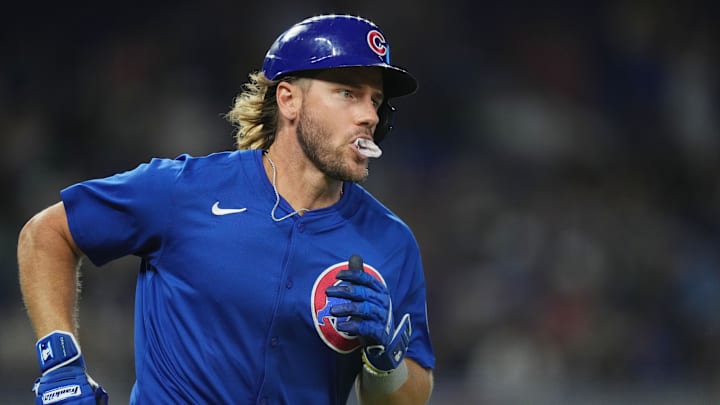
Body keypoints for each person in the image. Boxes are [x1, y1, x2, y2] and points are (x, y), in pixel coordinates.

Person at [18, 14, 435, 405]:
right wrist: (60, 363)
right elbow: (46, 234)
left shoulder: (390, 241)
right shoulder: (185, 191)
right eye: (348, 93)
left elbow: (412, 393)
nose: (368, 116)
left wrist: (385, 363)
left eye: (376, 101)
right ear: (289, 100)